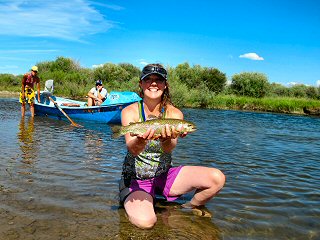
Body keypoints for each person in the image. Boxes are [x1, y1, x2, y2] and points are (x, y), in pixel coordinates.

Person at [119, 63, 226, 229]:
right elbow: (132, 149)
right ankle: (144, 201)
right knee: (146, 223)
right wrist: (141, 139)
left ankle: (188, 208)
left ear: (165, 85)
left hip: (164, 175)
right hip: (136, 180)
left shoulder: (175, 114)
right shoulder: (129, 112)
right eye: (148, 79)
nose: (153, 83)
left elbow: (168, 148)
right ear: (141, 84)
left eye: (158, 80)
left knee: (216, 178)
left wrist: (165, 139)